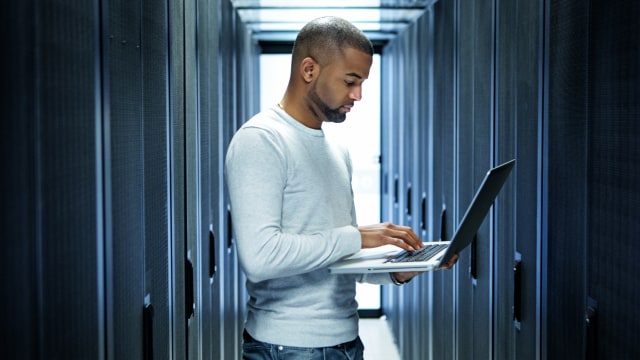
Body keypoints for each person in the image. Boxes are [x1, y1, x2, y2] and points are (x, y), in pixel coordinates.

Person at [225, 16, 458, 360]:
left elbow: (339, 259)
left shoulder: (336, 150)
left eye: (362, 83)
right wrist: (358, 236)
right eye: (351, 81)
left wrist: (400, 271)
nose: (358, 95)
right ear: (309, 70)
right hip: (288, 348)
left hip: (346, 343)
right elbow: (260, 257)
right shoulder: (261, 140)